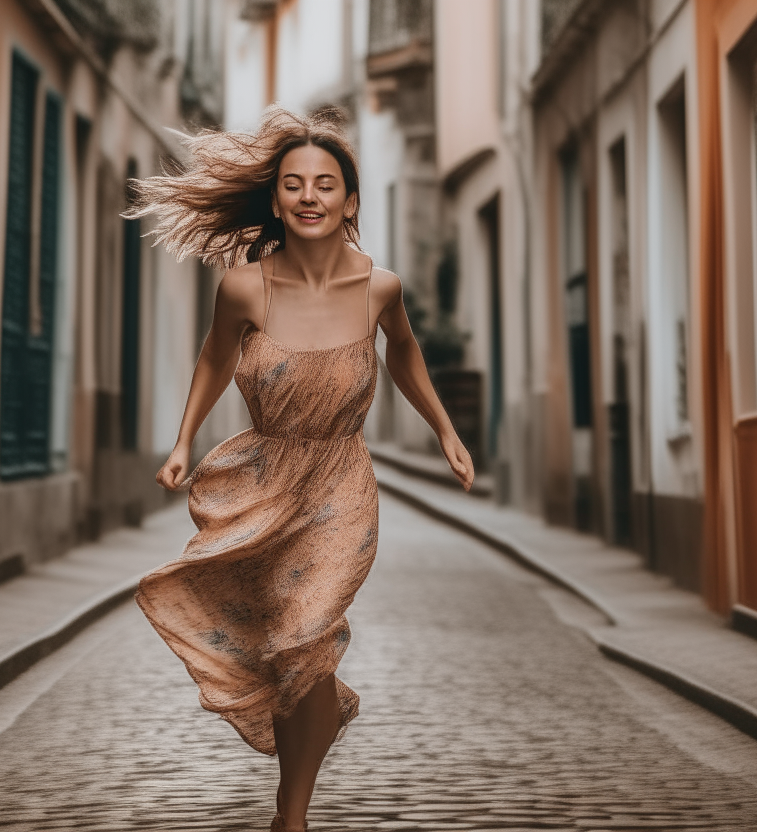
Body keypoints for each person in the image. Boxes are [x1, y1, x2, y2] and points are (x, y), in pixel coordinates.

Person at [127, 105, 474, 832]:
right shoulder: (245, 289)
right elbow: (216, 359)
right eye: (293, 184)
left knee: (300, 636)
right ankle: (304, 766)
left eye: (325, 184)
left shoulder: (381, 288)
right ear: (277, 200)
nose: (309, 196)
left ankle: (292, 815)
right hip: (262, 478)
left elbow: (404, 352)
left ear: (350, 201)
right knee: (289, 655)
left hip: (342, 484)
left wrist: (444, 428)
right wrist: (184, 440)